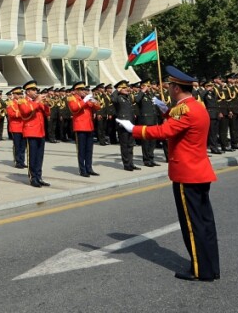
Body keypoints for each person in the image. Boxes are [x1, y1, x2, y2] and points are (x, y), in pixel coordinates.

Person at [117, 66, 220, 282]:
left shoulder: (186, 110)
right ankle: (210, 266)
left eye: (170, 86)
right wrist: (165, 111)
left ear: (175, 88)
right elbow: (178, 120)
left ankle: (200, 271)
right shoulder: (195, 106)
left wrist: (134, 129)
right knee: (205, 222)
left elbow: (164, 131)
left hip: (186, 174)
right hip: (199, 171)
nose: (169, 89)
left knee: (192, 225)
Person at [18, 81, 50, 187]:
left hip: (40, 132)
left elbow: (47, 113)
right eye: (34, 90)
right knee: (32, 156)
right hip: (31, 131)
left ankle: (39, 177)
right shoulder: (22, 101)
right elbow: (26, 111)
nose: (36, 91)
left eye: (36, 90)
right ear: (28, 91)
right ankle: (33, 178)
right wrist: (37, 101)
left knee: (39, 156)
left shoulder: (37, 101)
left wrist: (46, 104)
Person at [67, 82, 101, 177]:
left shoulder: (86, 98)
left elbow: (98, 107)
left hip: (89, 126)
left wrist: (93, 100)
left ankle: (89, 168)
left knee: (89, 150)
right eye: (81, 90)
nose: (83, 91)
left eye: (84, 90)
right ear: (76, 91)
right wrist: (85, 101)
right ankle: (82, 170)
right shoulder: (72, 98)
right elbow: (74, 108)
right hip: (80, 127)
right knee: (81, 150)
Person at [112, 80, 139, 171]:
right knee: (124, 145)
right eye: (124, 88)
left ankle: (131, 163)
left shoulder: (127, 98)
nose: (127, 89)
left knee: (130, 145)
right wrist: (117, 90)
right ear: (119, 89)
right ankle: (126, 164)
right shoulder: (118, 98)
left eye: (126, 87)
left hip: (130, 124)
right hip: (123, 124)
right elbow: (113, 99)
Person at [6, 86, 26, 168]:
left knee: (23, 146)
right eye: (18, 94)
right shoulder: (10, 103)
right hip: (15, 127)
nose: (20, 95)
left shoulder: (23, 102)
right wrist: (22, 114)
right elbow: (11, 114)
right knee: (17, 145)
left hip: (23, 127)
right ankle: (17, 161)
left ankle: (22, 161)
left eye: (21, 93)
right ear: (13, 94)